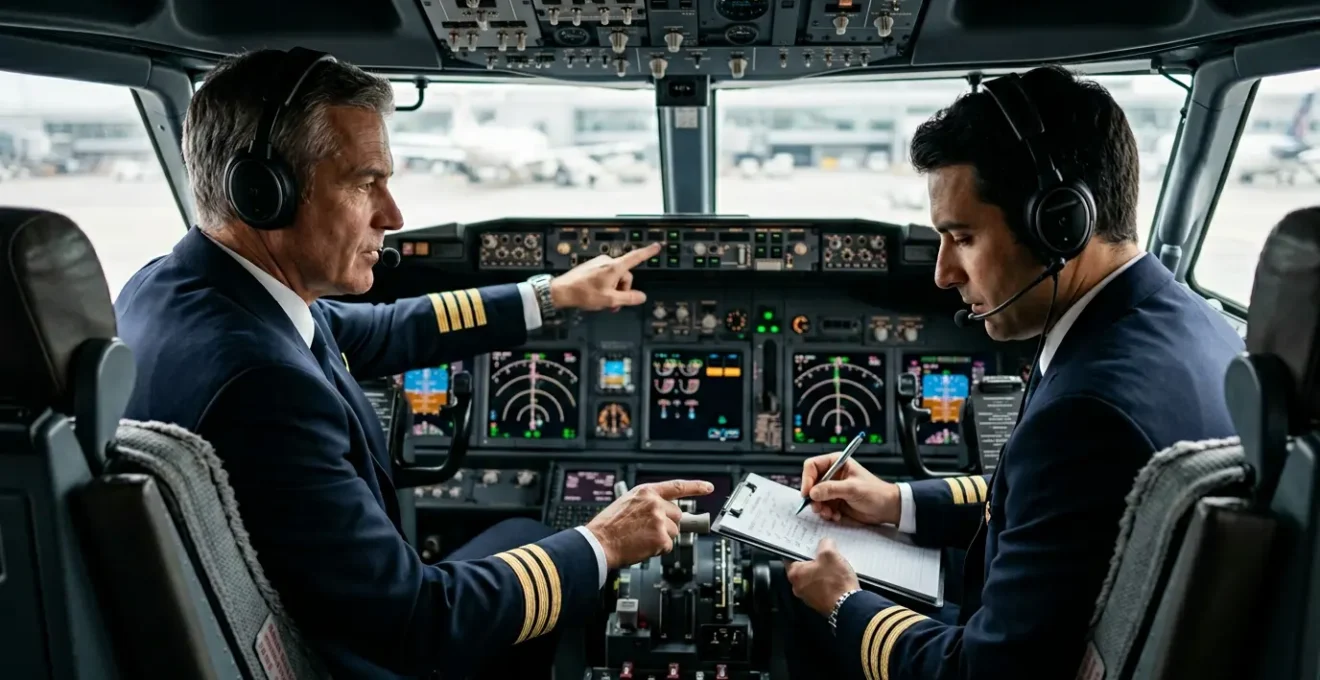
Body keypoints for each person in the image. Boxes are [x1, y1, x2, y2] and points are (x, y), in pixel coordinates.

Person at [114, 47, 712, 680]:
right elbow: (418, 623)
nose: (393, 216)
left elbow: (382, 329)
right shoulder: (264, 388)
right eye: (364, 182)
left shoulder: (178, 288)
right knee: (579, 582)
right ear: (264, 192)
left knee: (524, 534)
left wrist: (550, 295)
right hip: (349, 659)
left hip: (299, 617)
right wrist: (605, 542)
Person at [779, 65, 1245, 679]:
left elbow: (983, 672)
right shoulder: (1191, 322)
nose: (943, 273)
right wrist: (896, 502)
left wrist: (844, 602)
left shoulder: (1085, 415)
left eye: (962, 237)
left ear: (1058, 224)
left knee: (794, 598)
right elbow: (1045, 506)